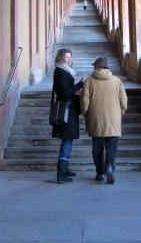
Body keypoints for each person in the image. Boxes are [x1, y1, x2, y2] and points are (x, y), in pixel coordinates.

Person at [81, 57, 127, 184]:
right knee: (112, 145)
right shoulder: (117, 81)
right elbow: (124, 101)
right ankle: (110, 167)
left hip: (95, 119)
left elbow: (84, 102)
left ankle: (100, 173)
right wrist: (120, 113)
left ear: (96, 67)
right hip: (113, 119)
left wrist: (86, 114)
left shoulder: (89, 82)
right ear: (107, 68)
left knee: (97, 147)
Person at [52, 48, 85, 184]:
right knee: (66, 142)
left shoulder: (65, 71)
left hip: (69, 110)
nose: (69, 59)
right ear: (60, 58)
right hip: (66, 112)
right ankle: (61, 174)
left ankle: (64, 169)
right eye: (66, 57)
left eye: (70, 57)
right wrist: (80, 84)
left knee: (68, 141)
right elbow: (65, 93)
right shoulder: (60, 72)